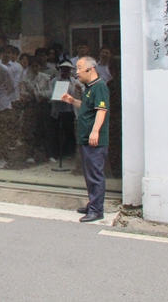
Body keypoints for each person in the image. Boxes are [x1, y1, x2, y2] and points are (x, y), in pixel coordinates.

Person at [61, 56, 110, 222]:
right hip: (85, 138)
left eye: (80, 68)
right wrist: (73, 101)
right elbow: (87, 107)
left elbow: (101, 110)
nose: (77, 72)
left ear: (91, 69)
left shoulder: (100, 87)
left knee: (95, 174)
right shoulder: (90, 88)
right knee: (89, 173)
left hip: (94, 140)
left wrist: (95, 131)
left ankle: (97, 210)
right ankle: (93, 203)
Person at [20, 56, 52, 163]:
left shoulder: (45, 78)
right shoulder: (26, 79)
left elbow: (49, 92)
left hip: (43, 105)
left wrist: (39, 94)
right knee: (31, 130)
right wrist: (32, 95)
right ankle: (30, 154)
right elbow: (23, 93)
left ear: (40, 67)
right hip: (31, 105)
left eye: (37, 66)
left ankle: (48, 154)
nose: (35, 68)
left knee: (45, 129)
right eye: (33, 66)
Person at [50, 60, 82, 162]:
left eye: (68, 69)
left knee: (69, 132)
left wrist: (79, 89)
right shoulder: (55, 81)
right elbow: (50, 93)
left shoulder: (74, 81)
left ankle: (69, 153)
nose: (66, 71)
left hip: (70, 110)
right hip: (58, 110)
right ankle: (57, 153)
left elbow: (83, 89)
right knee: (58, 132)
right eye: (64, 69)